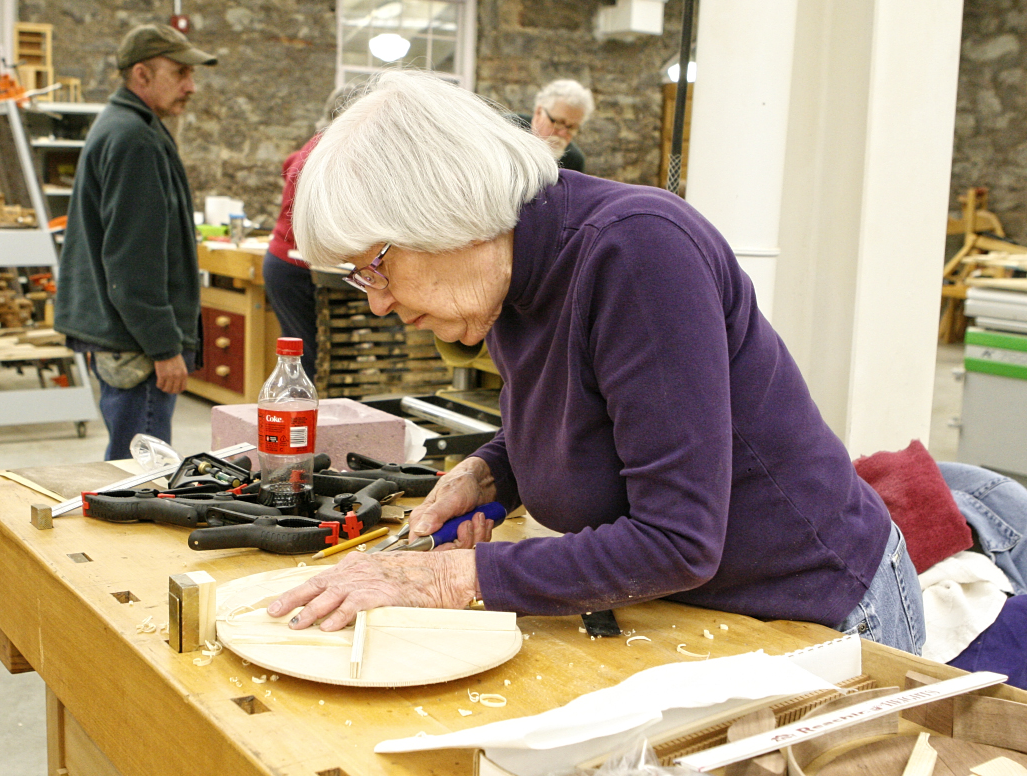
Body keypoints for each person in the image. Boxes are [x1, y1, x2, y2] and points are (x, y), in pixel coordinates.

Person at [266, 69, 927, 656]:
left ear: (442, 214)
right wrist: (490, 472)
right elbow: (585, 409)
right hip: (696, 607)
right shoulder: (506, 275)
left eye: (375, 268)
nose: (377, 304)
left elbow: (679, 539)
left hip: (812, 610)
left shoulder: (638, 253)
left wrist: (450, 578)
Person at [54, 24, 216, 460]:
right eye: (180, 73)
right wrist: (164, 347)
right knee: (137, 474)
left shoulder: (132, 126)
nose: (191, 86)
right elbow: (133, 262)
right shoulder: (133, 139)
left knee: (127, 465)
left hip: (127, 337)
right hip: (138, 346)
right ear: (141, 75)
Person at [263, 87, 355, 381]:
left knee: (310, 355)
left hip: (287, 263)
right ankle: (303, 419)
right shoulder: (326, 156)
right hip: (294, 266)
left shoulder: (313, 148)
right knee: (306, 359)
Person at [511, 79, 593, 173]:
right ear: (539, 112)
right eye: (558, 122)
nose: (563, 133)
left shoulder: (573, 160)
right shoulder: (508, 129)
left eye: (572, 127)